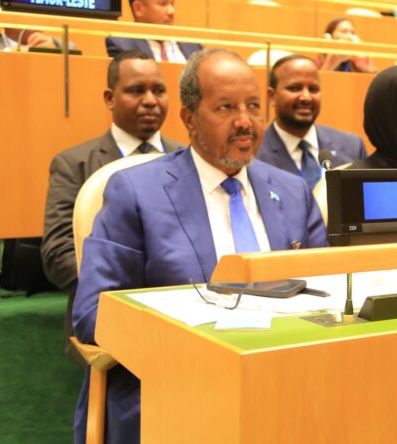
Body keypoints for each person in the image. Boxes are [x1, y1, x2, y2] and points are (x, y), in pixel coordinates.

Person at [71, 48, 327, 444]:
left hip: (283, 382)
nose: (245, 122)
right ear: (189, 118)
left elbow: (328, 293)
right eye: (225, 107)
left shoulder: (292, 192)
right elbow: (93, 313)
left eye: (254, 106)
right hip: (178, 387)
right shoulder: (135, 192)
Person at [41, 50, 183, 365]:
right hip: (107, 318)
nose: (150, 100)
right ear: (110, 97)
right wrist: (134, 292)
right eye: (136, 90)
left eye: (158, 90)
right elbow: (58, 254)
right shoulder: (74, 164)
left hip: (186, 313)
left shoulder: (189, 159)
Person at [257, 55, 367, 189]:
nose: (306, 97)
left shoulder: (352, 147)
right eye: (295, 88)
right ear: (272, 96)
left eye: (313, 89)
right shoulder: (254, 154)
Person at [106, 0, 203, 62]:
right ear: (138, 9)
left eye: (172, 4)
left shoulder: (194, 47)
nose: (171, 11)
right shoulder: (123, 46)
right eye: (163, 4)